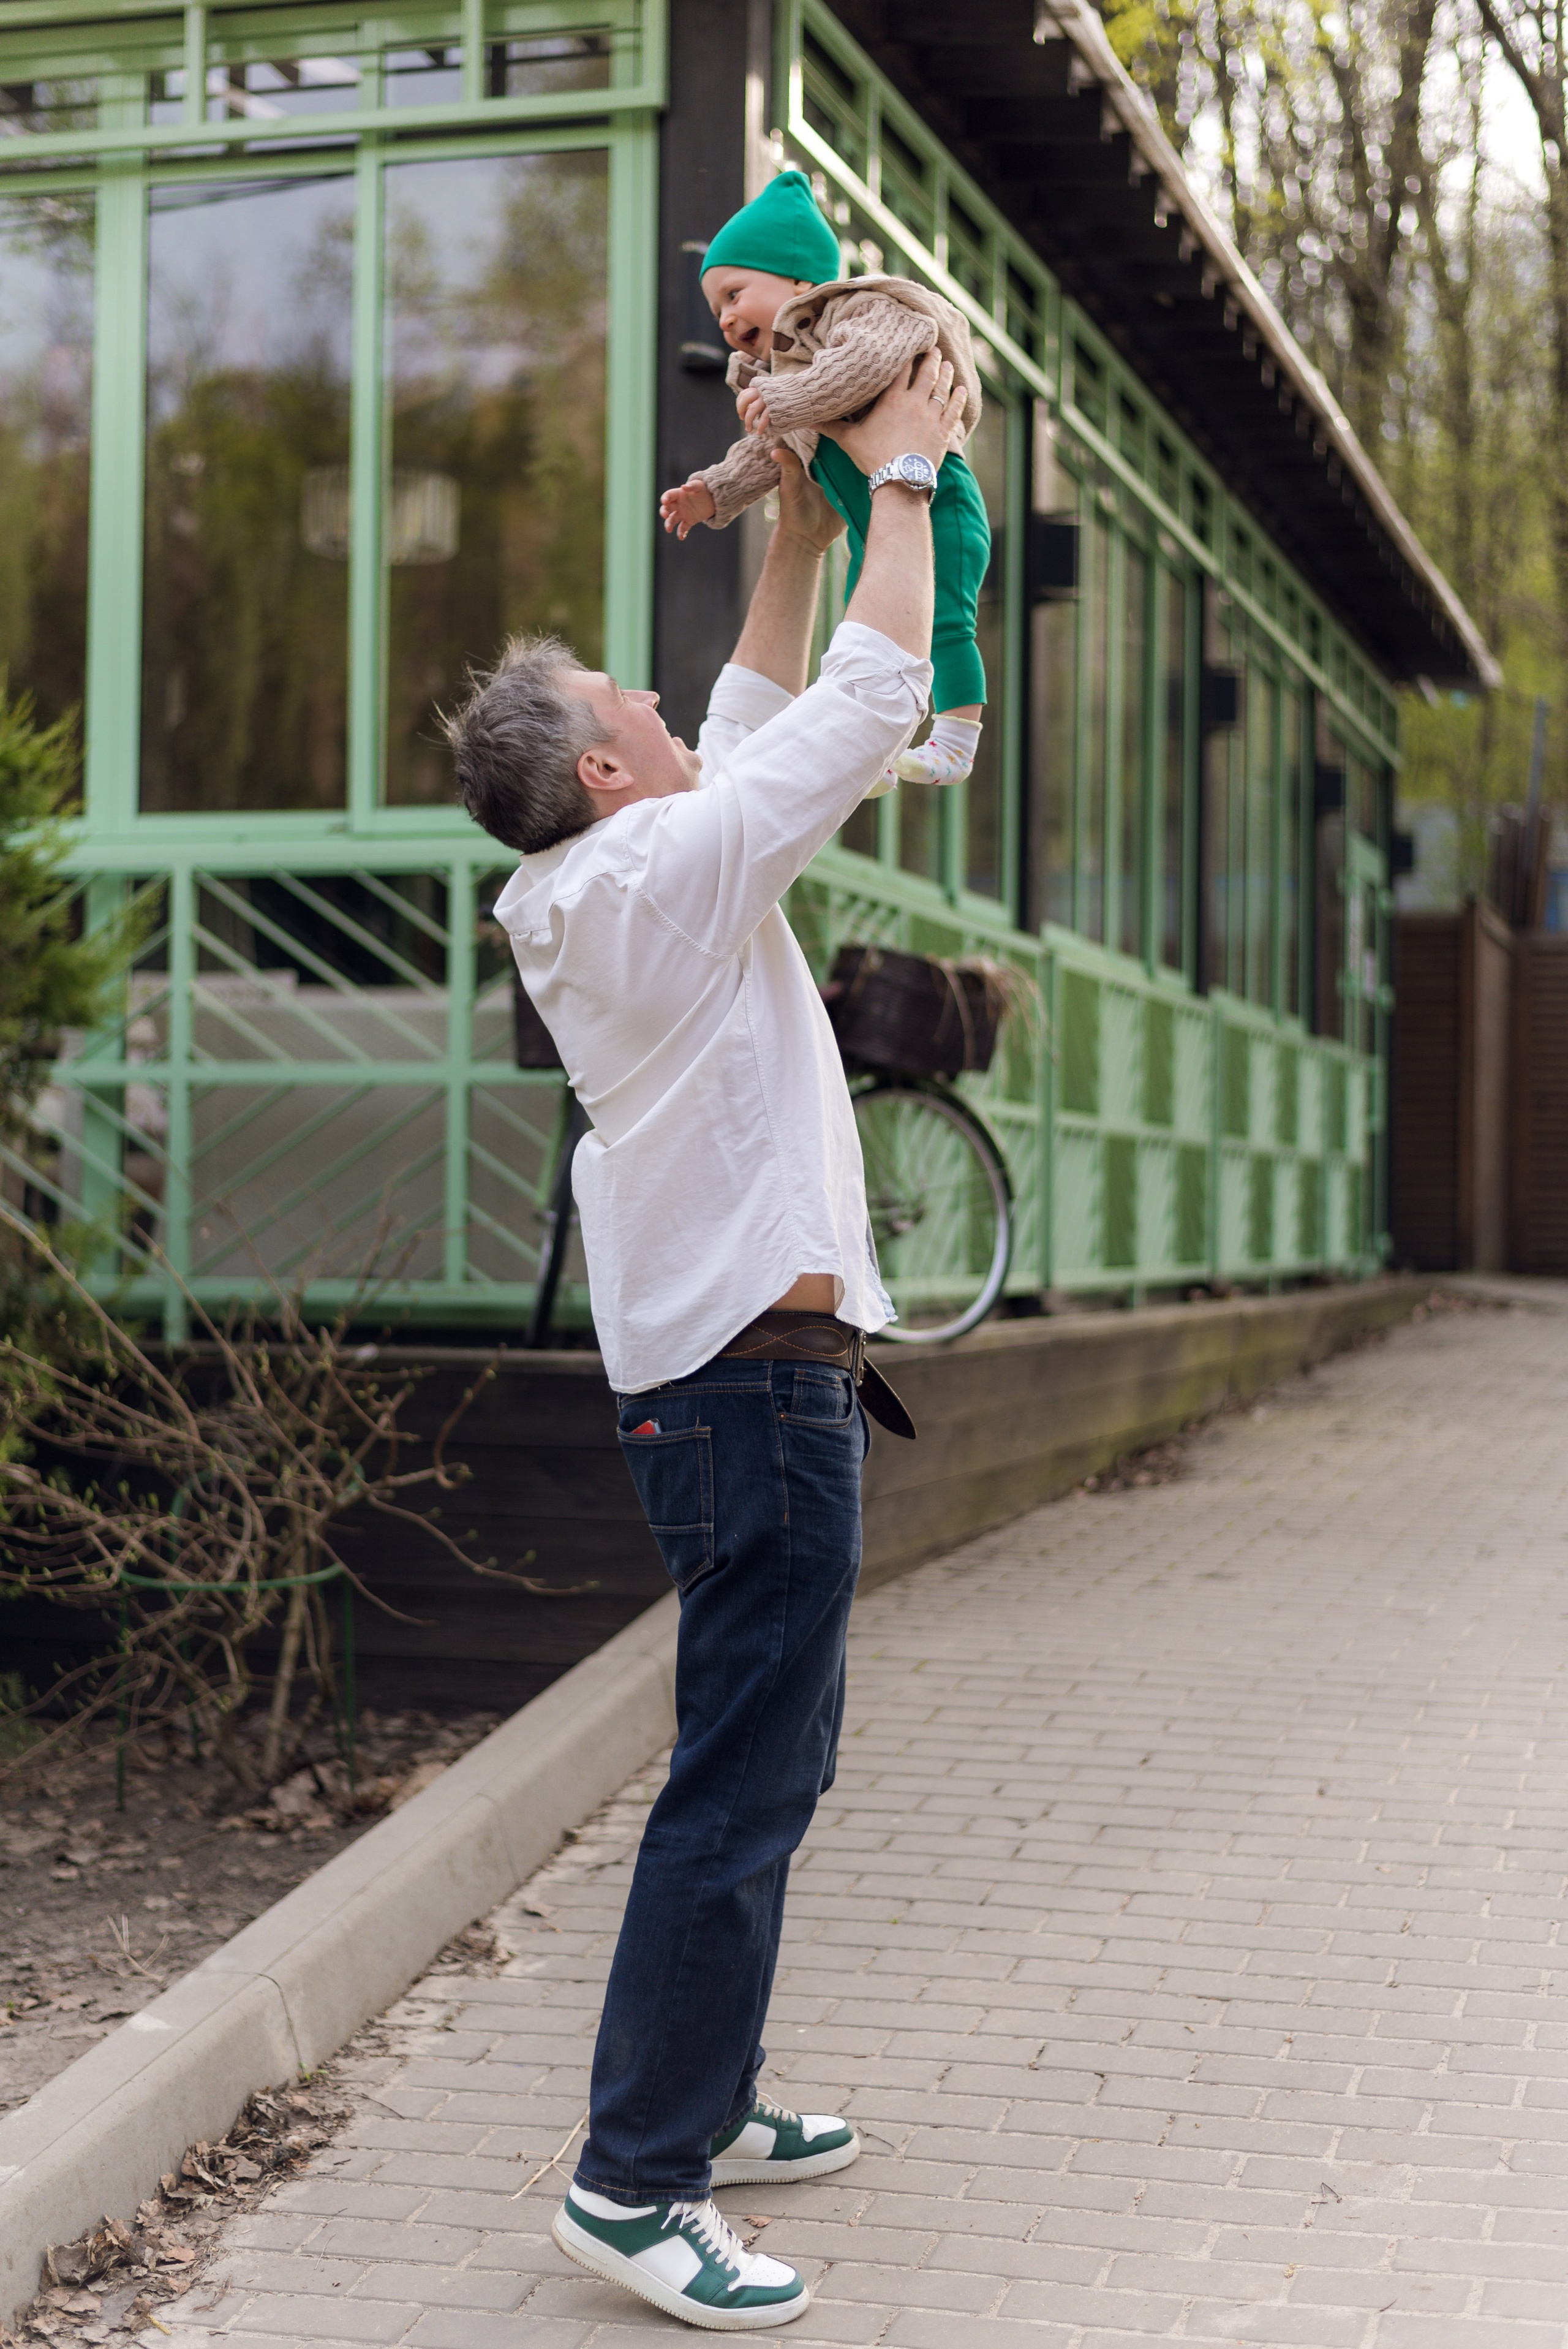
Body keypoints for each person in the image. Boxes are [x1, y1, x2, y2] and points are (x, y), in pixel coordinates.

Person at [447, 347, 965, 2331]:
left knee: (768, 1761)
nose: (663, 706)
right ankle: (633, 2180)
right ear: (603, 774)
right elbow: (866, 703)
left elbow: (750, 715)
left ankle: (706, 2097)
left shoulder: (621, 871)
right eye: (631, 706)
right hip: (753, 1400)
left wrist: (793, 528)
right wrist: (900, 475)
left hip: (746, 1389)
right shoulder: (664, 869)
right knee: (742, 1783)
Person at [660, 166, 990, 800]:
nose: (724, 319)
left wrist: (785, 397)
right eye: (716, 309)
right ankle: (880, 747)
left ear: (799, 282)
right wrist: (715, 491)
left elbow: (863, 365)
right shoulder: (786, 378)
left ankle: (957, 738)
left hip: (937, 498)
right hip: (872, 517)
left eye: (734, 294)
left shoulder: (859, 311)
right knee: (871, 634)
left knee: (946, 617)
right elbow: (767, 452)